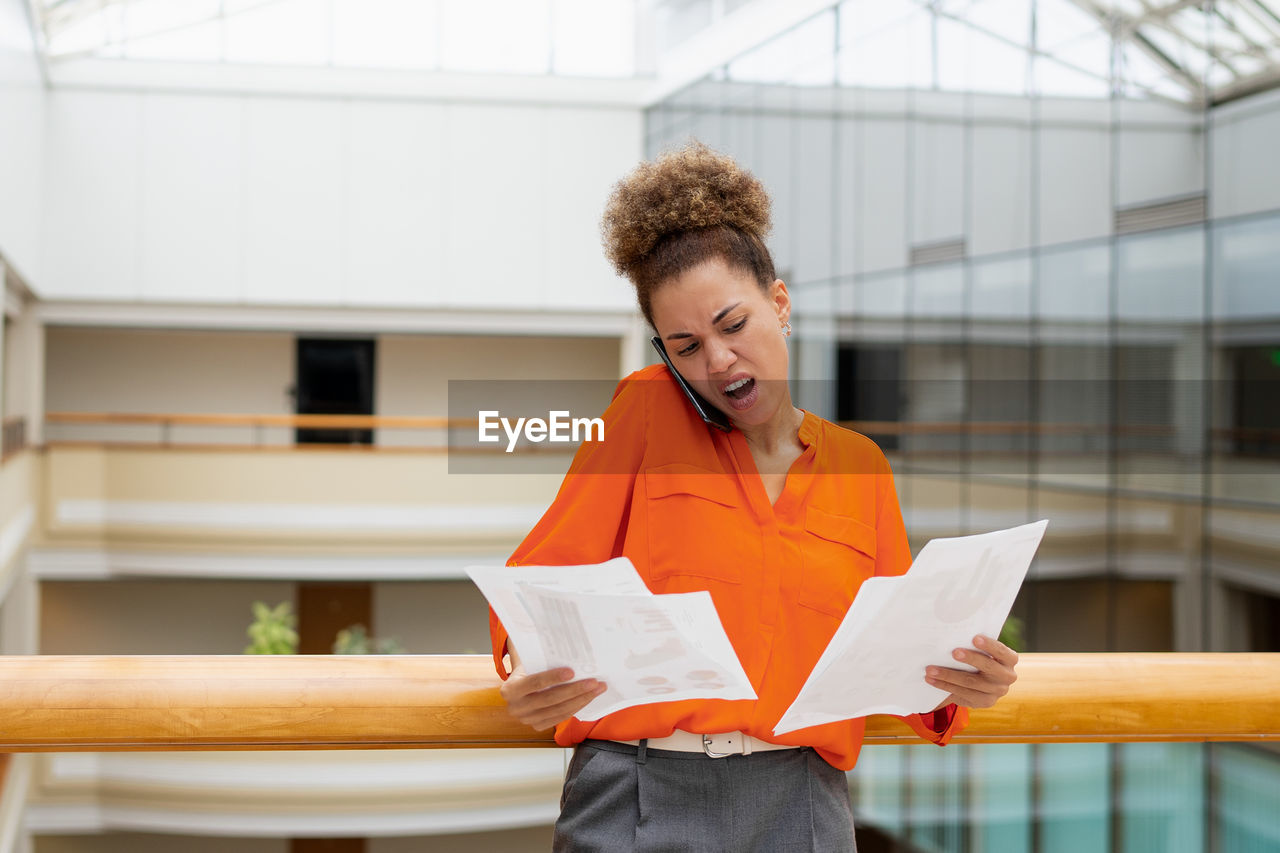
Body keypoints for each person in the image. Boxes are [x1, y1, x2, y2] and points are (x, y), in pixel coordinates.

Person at [489, 141, 1018, 851]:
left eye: (733, 325)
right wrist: (528, 666)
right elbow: (538, 587)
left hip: (802, 802)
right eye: (685, 345)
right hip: (638, 793)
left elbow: (897, 654)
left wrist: (967, 681)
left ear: (780, 303)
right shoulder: (643, 415)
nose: (718, 360)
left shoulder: (860, 467)